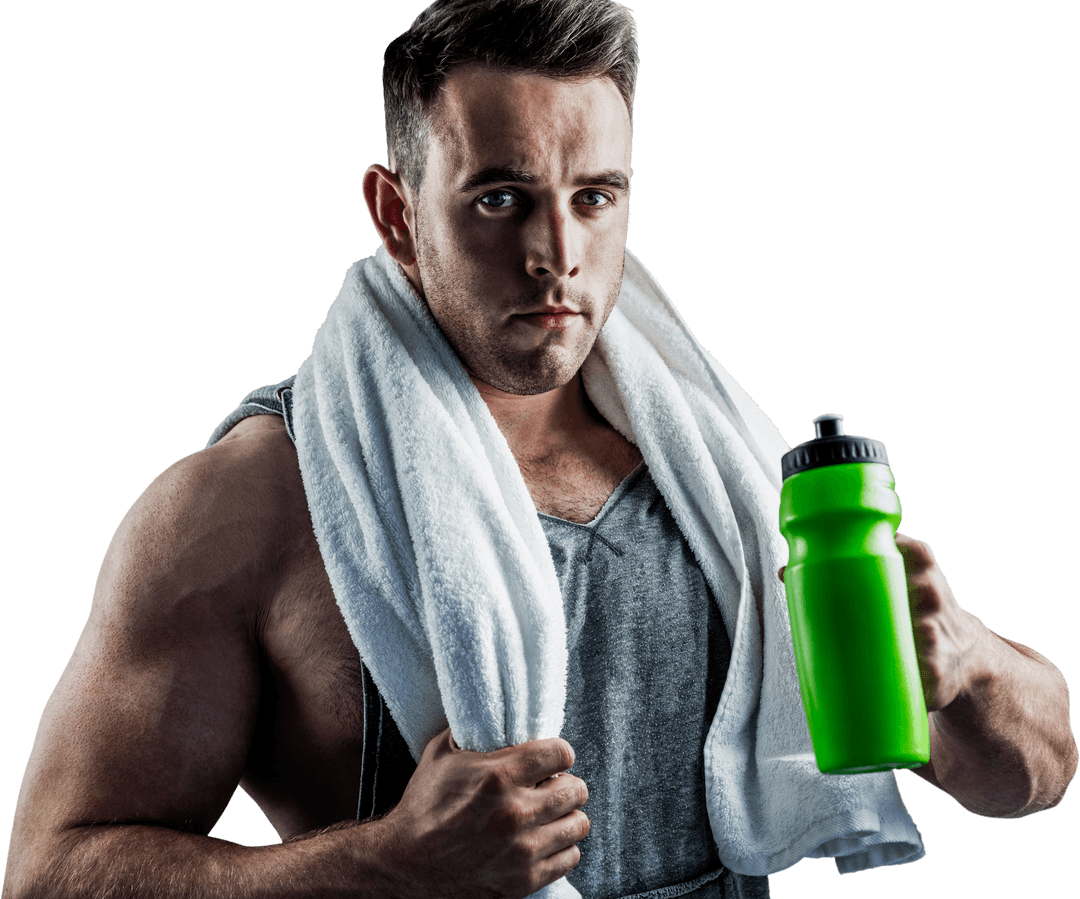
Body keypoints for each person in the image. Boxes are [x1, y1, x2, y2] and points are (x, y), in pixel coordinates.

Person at [4, 1, 1076, 897]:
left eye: (594, 197)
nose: (557, 256)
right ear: (395, 213)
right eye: (501, 198)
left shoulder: (736, 482)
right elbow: (51, 870)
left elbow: (1031, 775)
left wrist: (967, 662)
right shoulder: (248, 507)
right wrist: (385, 864)